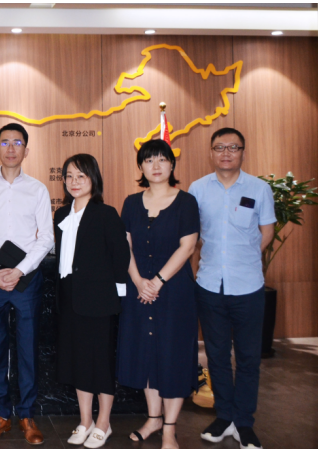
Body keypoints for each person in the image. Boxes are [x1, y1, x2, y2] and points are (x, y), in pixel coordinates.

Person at [189, 128, 275, 449]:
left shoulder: (259, 188)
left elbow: (267, 231)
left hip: (248, 286)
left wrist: (246, 257)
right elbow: (194, 235)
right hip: (210, 284)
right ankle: (224, 416)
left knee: (249, 358)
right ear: (211, 153)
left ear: (242, 152)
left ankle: (244, 422)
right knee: (217, 356)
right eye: (219, 147)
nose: (226, 153)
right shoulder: (198, 189)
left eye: (233, 147)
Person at [0, 123, 53, 446]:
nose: (10, 148)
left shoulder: (37, 189)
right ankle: (2, 413)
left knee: (27, 348)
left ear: (26, 150)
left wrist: (19, 270)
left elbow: (45, 238)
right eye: (4, 142)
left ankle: (27, 414)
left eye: (17, 143)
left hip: (26, 280)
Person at [116, 140, 200, 449]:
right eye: (149, 160)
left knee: (173, 356)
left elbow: (187, 246)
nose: (155, 165)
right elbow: (124, 245)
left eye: (162, 160)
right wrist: (139, 281)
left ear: (172, 165)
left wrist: (158, 282)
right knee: (146, 355)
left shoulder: (186, 202)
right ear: (140, 166)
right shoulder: (131, 203)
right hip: (138, 291)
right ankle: (153, 419)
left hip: (174, 292)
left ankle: (169, 428)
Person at [54, 153, 129, 449]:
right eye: (69, 176)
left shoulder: (105, 213)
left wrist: (116, 296)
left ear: (93, 179)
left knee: (101, 363)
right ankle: (85, 421)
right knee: (78, 362)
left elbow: (120, 256)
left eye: (81, 176)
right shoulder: (61, 214)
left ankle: (104, 423)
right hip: (69, 298)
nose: (74, 182)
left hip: (99, 300)